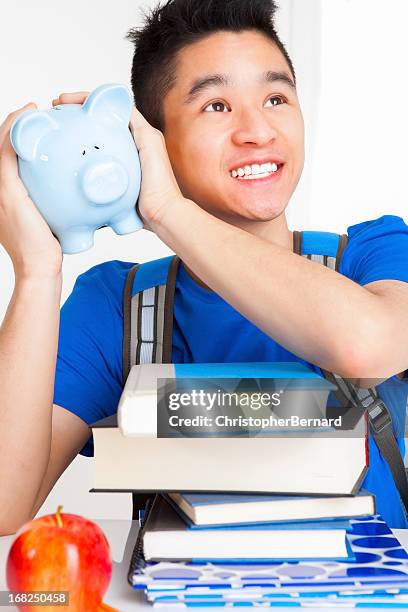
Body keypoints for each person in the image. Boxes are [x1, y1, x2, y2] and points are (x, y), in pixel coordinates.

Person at [1, 0, 408, 535]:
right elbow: (6, 507)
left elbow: (369, 345)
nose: (258, 130)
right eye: (216, 106)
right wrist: (35, 272)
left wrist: (168, 211)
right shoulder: (117, 308)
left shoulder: (373, 254)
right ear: (151, 143)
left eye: (276, 97)